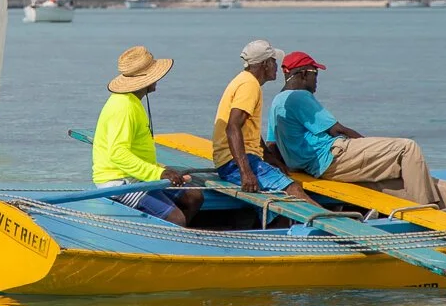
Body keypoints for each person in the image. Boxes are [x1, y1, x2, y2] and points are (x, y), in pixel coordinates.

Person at [264, 50, 446, 213]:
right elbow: (337, 129)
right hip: (331, 156)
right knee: (407, 149)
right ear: (303, 74)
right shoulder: (300, 96)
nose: (316, 80)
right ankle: (427, 210)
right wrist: (365, 144)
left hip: (313, 167)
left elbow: (272, 145)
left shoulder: (277, 102)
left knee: (398, 177)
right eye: (315, 75)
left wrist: (288, 170)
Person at [92, 46, 203, 225]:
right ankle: (170, 244)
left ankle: (179, 238)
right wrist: (158, 173)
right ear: (144, 80)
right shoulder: (124, 107)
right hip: (118, 181)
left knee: (193, 196)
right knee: (175, 218)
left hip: (135, 174)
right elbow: (118, 154)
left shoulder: (133, 102)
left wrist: (162, 169)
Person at [212, 39, 312, 201]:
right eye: (273, 61)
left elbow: (247, 130)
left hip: (233, 161)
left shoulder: (244, 80)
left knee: (288, 185)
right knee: (293, 189)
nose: (276, 67)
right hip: (234, 163)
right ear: (265, 64)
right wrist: (246, 172)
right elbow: (233, 127)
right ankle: (333, 224)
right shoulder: (249, 85)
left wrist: (269, 157)